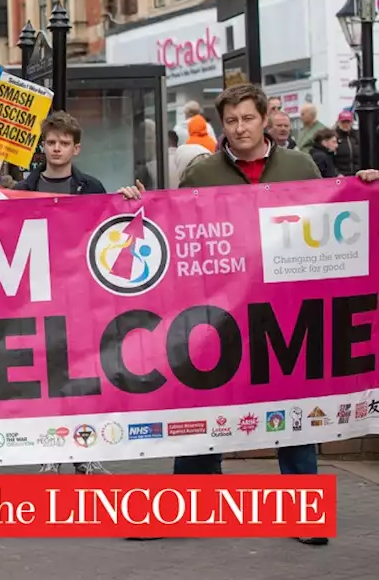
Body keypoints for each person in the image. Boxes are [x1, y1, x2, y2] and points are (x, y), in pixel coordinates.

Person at [118, 84, 379, 547]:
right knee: (205, 409)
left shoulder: (300, 166)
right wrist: (135, 206)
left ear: (265, 119)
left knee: (294, 409)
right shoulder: (202, 173)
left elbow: (334, 217)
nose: (239, 128)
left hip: (287, 309)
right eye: (231, 121)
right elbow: (173, 228)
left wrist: (365, 189)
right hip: (221, 312)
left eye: (247, 118)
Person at [16, 112, 107, 195]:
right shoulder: (21, 191)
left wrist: (120, 204)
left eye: (64, 144)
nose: (56, 149)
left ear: (76, 149)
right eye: (51, 143)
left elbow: (109, 213)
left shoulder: (92, 189)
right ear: (43, 146)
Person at [333, 110, 362, 176]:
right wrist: (336, 173)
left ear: (351, 123)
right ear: (338, 123)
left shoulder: (358, 135)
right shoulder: (333, 136)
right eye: (343, 122)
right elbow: (328, 159)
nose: (345, 124)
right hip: (341, 175)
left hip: (357, 174)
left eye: (348, 122)